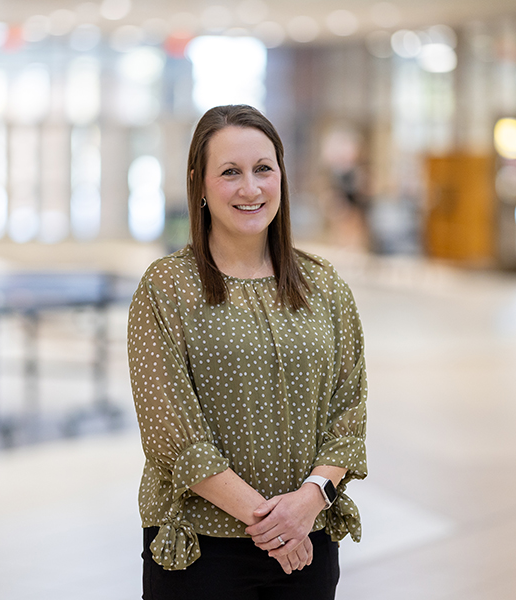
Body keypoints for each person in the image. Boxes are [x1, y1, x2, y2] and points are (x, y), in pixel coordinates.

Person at [127, 104, 368, 600]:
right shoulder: (166, 288)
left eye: (263, 169)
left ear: (282, 174)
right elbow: (174, 435)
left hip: (308, 542)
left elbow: (349, 413)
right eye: (230, 172)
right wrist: (273, 525)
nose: (251, 188)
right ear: (198, 183)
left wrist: (308, 502)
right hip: (200, 553)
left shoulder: (325, 286)